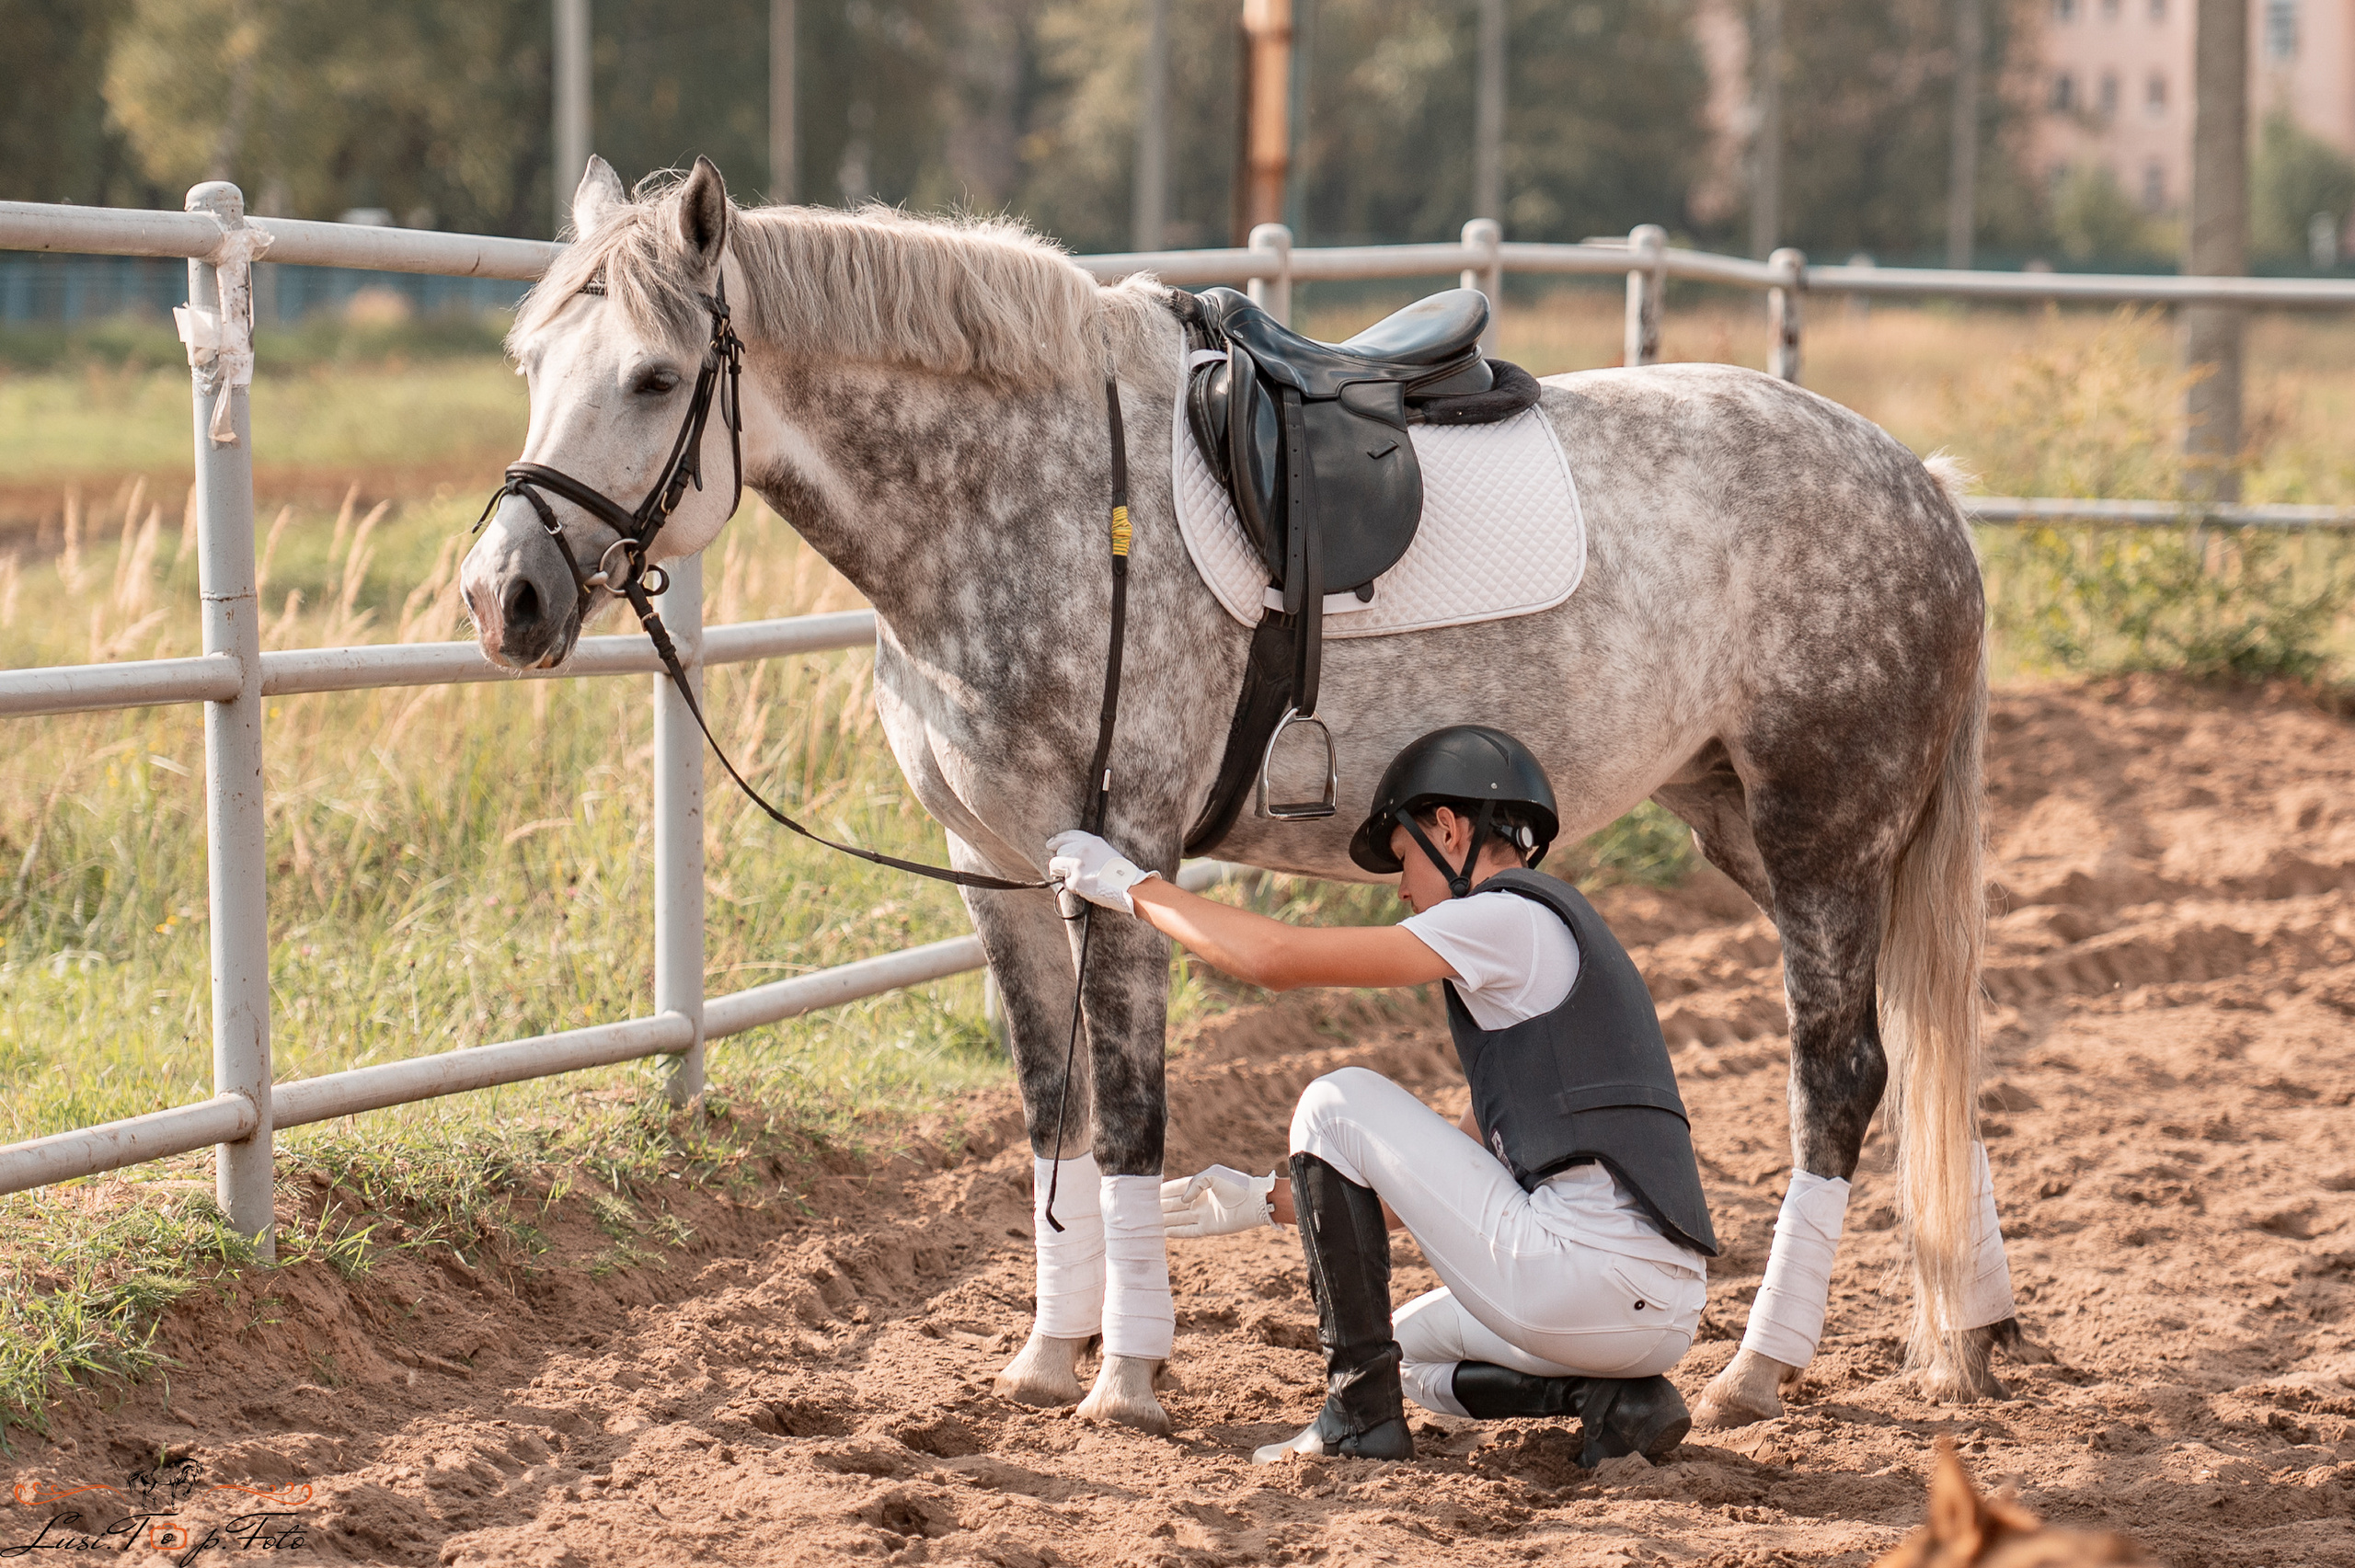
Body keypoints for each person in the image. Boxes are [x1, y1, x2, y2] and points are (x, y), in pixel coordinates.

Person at [1048, 725, 1717, 1467]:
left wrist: (1130, 886)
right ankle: (1611, 1398)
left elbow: (1276, 959)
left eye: (1403, 861)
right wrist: (1267, 1200)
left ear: (1450, 829)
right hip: (1662, 1309)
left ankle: (1356, 1415)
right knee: (1412, 1359)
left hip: (1587, 1278)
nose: (1401, 890)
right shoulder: (1553, 949)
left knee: (1335, 1101)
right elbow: (1453, 1174)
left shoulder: (1502, 918)